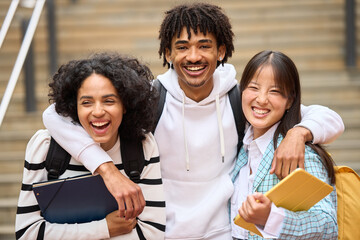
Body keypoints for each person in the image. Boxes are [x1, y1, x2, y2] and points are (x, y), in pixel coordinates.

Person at [41, 3, 344, 239]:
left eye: (204, 45)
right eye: (182, 47)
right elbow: (53, 115)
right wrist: (106, 170)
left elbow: (329, 118)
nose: (193, 56)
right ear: (168, 54)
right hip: (160, 233)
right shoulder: (150, 97)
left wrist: (298, 133)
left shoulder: (241, 99)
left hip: (225, 234)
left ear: (221, 51)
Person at [15, 53, 166, 240]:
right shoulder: (44, 146)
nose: (98, 111)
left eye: (109, 101)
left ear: (125, 105)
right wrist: (105, 228)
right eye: (86, 102)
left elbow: (152, 233)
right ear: (74, 108)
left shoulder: (142, 146)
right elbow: (27, 233)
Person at [230, 50, 337, 239]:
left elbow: (328, 225)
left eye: (275, 91)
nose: (262, 99)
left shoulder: (299, 154)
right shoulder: (242, 146)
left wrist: (271, 218)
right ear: (242, 90)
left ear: (290, 101)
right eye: (254, 88)